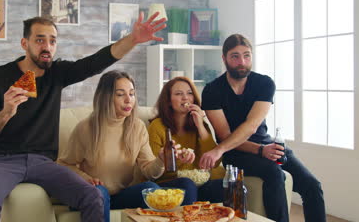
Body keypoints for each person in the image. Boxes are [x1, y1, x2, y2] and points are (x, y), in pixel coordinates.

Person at [0, 13, 166, 222]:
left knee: (92, 196)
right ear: (24, 43)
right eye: (39, 40)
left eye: (52, 41)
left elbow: (95, 62)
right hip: (3, 160)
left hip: (44, 162)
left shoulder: (57, 73)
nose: (47, 46)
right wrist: (6, 111)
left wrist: (133, 39)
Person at [198, 34, 326, 222]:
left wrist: (264, 149)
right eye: (235, 56)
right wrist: (257, 150)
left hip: (265, 145)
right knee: (274, 173)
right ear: (224, 58)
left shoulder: (264, 83)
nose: (242, 61)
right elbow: (225, 136)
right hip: (234, 151)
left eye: (247, 55)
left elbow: (252, 125)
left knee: (312, 185)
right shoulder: (212, 90)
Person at [57, 70, 187, 222]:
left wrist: (160, 159)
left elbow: (150, 171)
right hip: (92, 195)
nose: (128, 100)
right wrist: (85, 178)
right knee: (99, 192)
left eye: (131, 94)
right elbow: (64, 164)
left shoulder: (137, 127)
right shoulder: (86, 128)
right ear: (106, 97)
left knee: (152, 188)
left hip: (120, 196)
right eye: (120, 94)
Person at [148, 76, 225, 205]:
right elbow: (154, 171)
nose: (185, 98)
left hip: (198, 185)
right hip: (167, 184)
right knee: (187, 184)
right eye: (178, 94)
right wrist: (178, 158)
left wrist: (200, 125)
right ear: (168, 101)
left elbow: (215, 162)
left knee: (224, 186)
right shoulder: (157, 126)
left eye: (189, 93)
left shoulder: (201, 125)